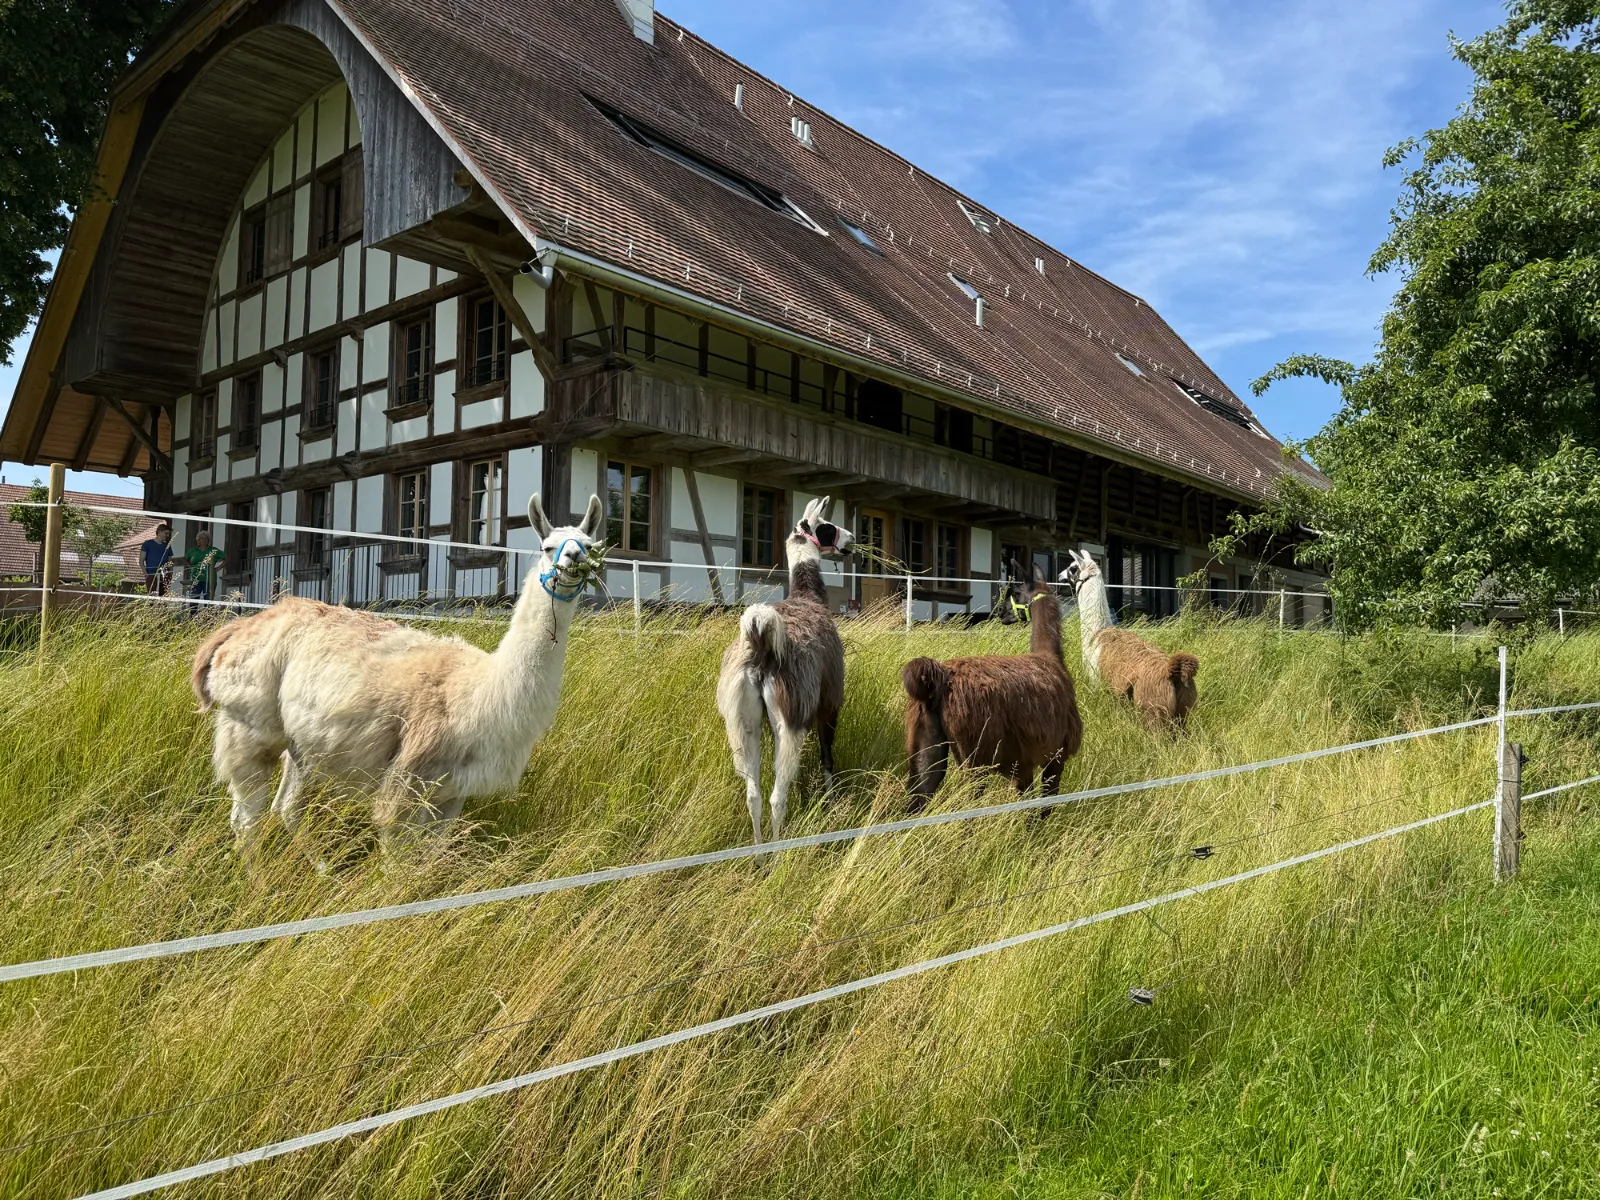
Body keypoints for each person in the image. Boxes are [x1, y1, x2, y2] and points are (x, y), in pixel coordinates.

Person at [186, 529, 222, 604]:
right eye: (199, 539)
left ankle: (207, 615)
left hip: (209, 579)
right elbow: (186, 559)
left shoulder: (213, 550)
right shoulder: (193, 551)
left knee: (208, 601)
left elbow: (227, 557)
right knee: (193, 600)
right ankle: (192, 615)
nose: (201, 540)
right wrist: (191, 567)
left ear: (208, 540)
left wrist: (219, 568)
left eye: (204, 538)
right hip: (195, 578)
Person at [141, 523, 174, 595]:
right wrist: (146, 574)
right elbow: (141, 561)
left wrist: (170, 574)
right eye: (166, 533)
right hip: (151, 574)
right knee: (152, 596)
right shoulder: (148, 544)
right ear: (159, 532)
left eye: (168, 534)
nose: (167, 536)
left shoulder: (167, 546)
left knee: (163, 597)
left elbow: (170, 561)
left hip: (165, 574)